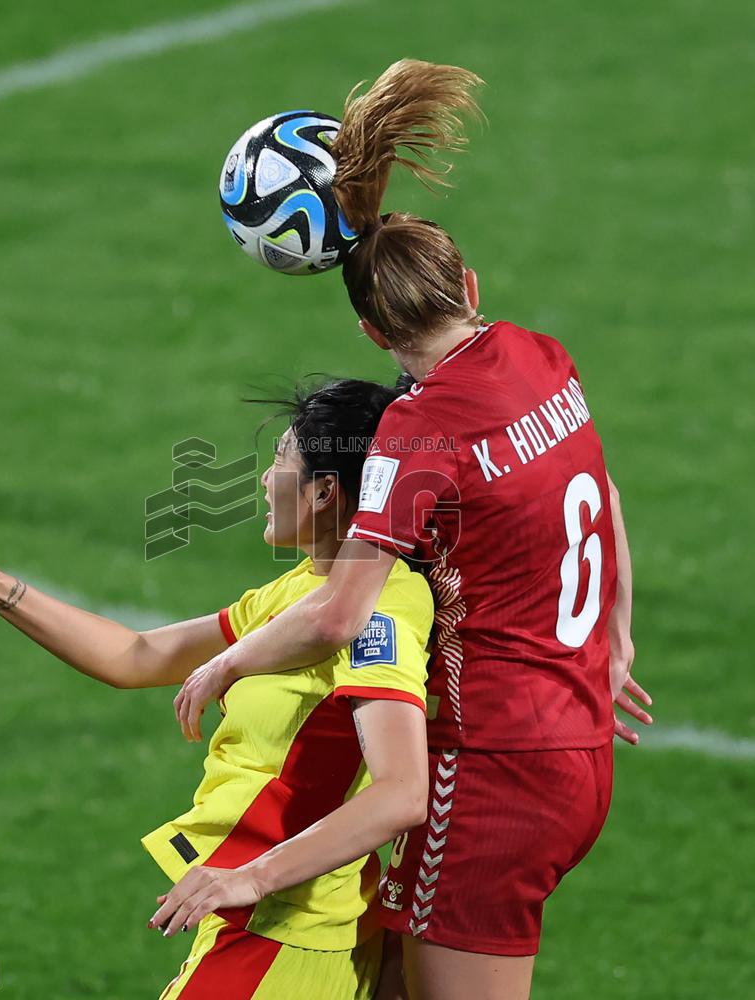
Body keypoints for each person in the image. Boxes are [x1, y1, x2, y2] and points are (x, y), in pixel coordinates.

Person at [171, 60, 653, 1000]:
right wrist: (615, 634)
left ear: (367, 335)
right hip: (577, 747)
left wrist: (231, 662)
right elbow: (607, 494)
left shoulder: (416, 431)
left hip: (496, 776)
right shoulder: (537, 355)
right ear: (466, 282)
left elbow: (339, 612)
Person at [0, 378, 436, 1000]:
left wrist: (251, 877)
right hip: (256, 926)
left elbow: (404, 793)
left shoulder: (379, 610)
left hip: (280, 937)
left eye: (279, 458)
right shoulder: (298, 594)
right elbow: (138, 654)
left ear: (325, 491)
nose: (264, 478)